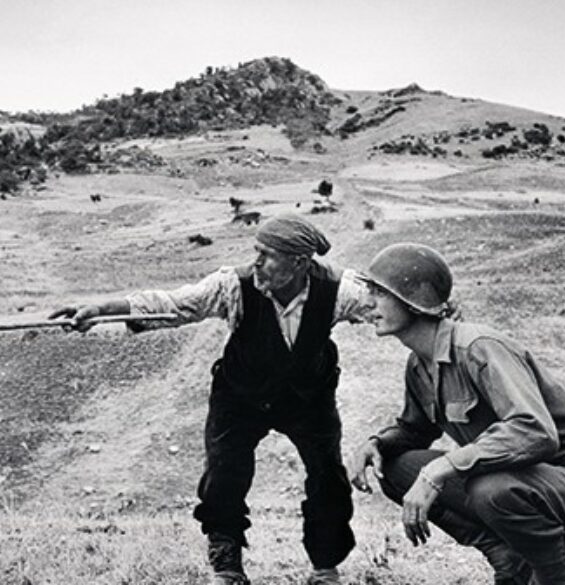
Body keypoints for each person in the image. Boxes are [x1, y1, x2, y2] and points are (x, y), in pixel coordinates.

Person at [50, 214, 373, 585]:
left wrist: (439, 315)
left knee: (327, 477)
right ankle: (228, 568)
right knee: (224, 475)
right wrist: (101, 310)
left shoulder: (339, 289)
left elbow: (389, 306)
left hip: (307, 397)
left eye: (266, 255)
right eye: (256, 252)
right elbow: (173, 305)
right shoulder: (233, 286)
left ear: (299, 262)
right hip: (241, 396)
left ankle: (325, 567)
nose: (256, 263)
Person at [347, 243, 565, 585]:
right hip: (523, 487)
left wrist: (441, 469)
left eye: (378, 293)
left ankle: (556, 577)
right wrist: (377, 444)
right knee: (395, 467)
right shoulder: (419, 365)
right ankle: (509, 560)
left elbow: (535, 431)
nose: (366, 303)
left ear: (413, 300)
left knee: (490, 488)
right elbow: (414, 432)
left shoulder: (478, 348)